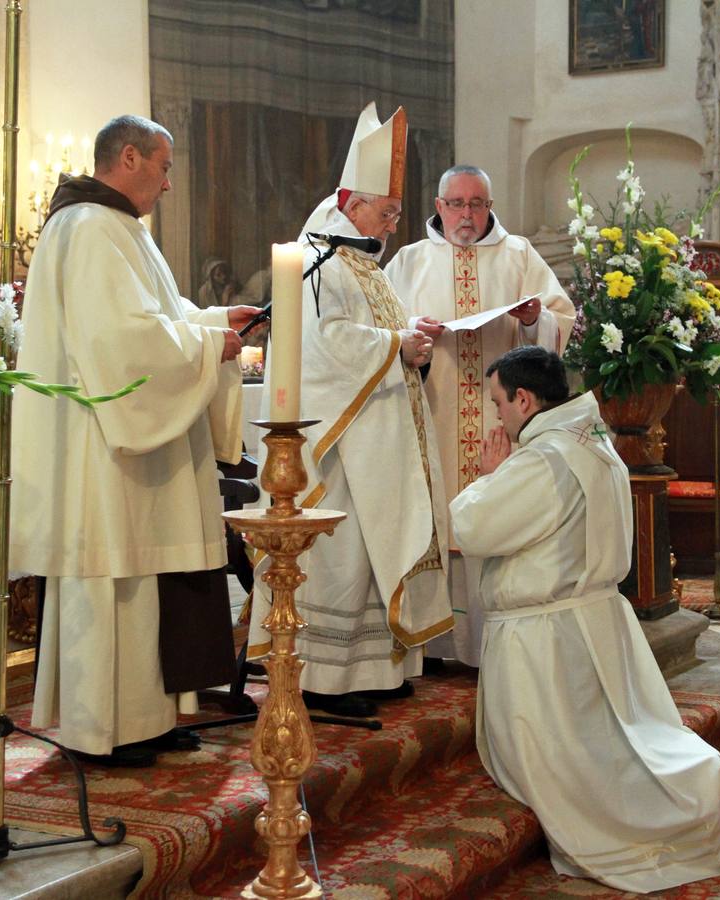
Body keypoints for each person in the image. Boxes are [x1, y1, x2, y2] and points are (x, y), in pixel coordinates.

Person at [450, 346, 720, 891]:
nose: (498, 416)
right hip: (589, 620)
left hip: (545, 637)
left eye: (499, 403)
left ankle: (679, 808)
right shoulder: (594, 443)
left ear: (523, 399)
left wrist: (487, 476)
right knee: (616, 740)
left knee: (572, 766)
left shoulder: (540, 459)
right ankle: (698, 794)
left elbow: (474, 528)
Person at [11, 115, 264, 767]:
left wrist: (209, 321)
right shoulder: (92, 228)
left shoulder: (113, 227)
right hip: (103, 452)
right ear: (128, 156)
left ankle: (147, 719)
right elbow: (118, 344)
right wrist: (210, 343)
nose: (170, 183)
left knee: (147, 578)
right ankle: (106, 727)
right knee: (116, 578)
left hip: (128, 450)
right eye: (163, 165)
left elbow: (152, 319)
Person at [247, 102, 453, 718]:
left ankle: (373, 667)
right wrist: (397, 344)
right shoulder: (317, 262)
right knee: (340, 554)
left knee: (371, 550)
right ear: (350, 200)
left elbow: (371, 330)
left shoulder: (360, 258)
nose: (392, 225)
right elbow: (325, 345)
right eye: (386, 212)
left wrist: (408, 335)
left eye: (394, 213)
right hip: (337, 445)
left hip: (378, 435)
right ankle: (324, 679)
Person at [385, 164, 574, 666]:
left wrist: (536, 319)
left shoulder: (520, 256)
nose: (466, 215)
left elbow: (562, 320)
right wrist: (410, 331)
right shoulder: (408, 262)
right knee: (439, 521)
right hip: (435, 413)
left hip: (501, 420)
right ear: (439, 206)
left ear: (489, 207)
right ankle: (442, 646)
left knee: (496, 518)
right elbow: (379, 328)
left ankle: (493, 643)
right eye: (456, 204)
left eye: (477, 204)